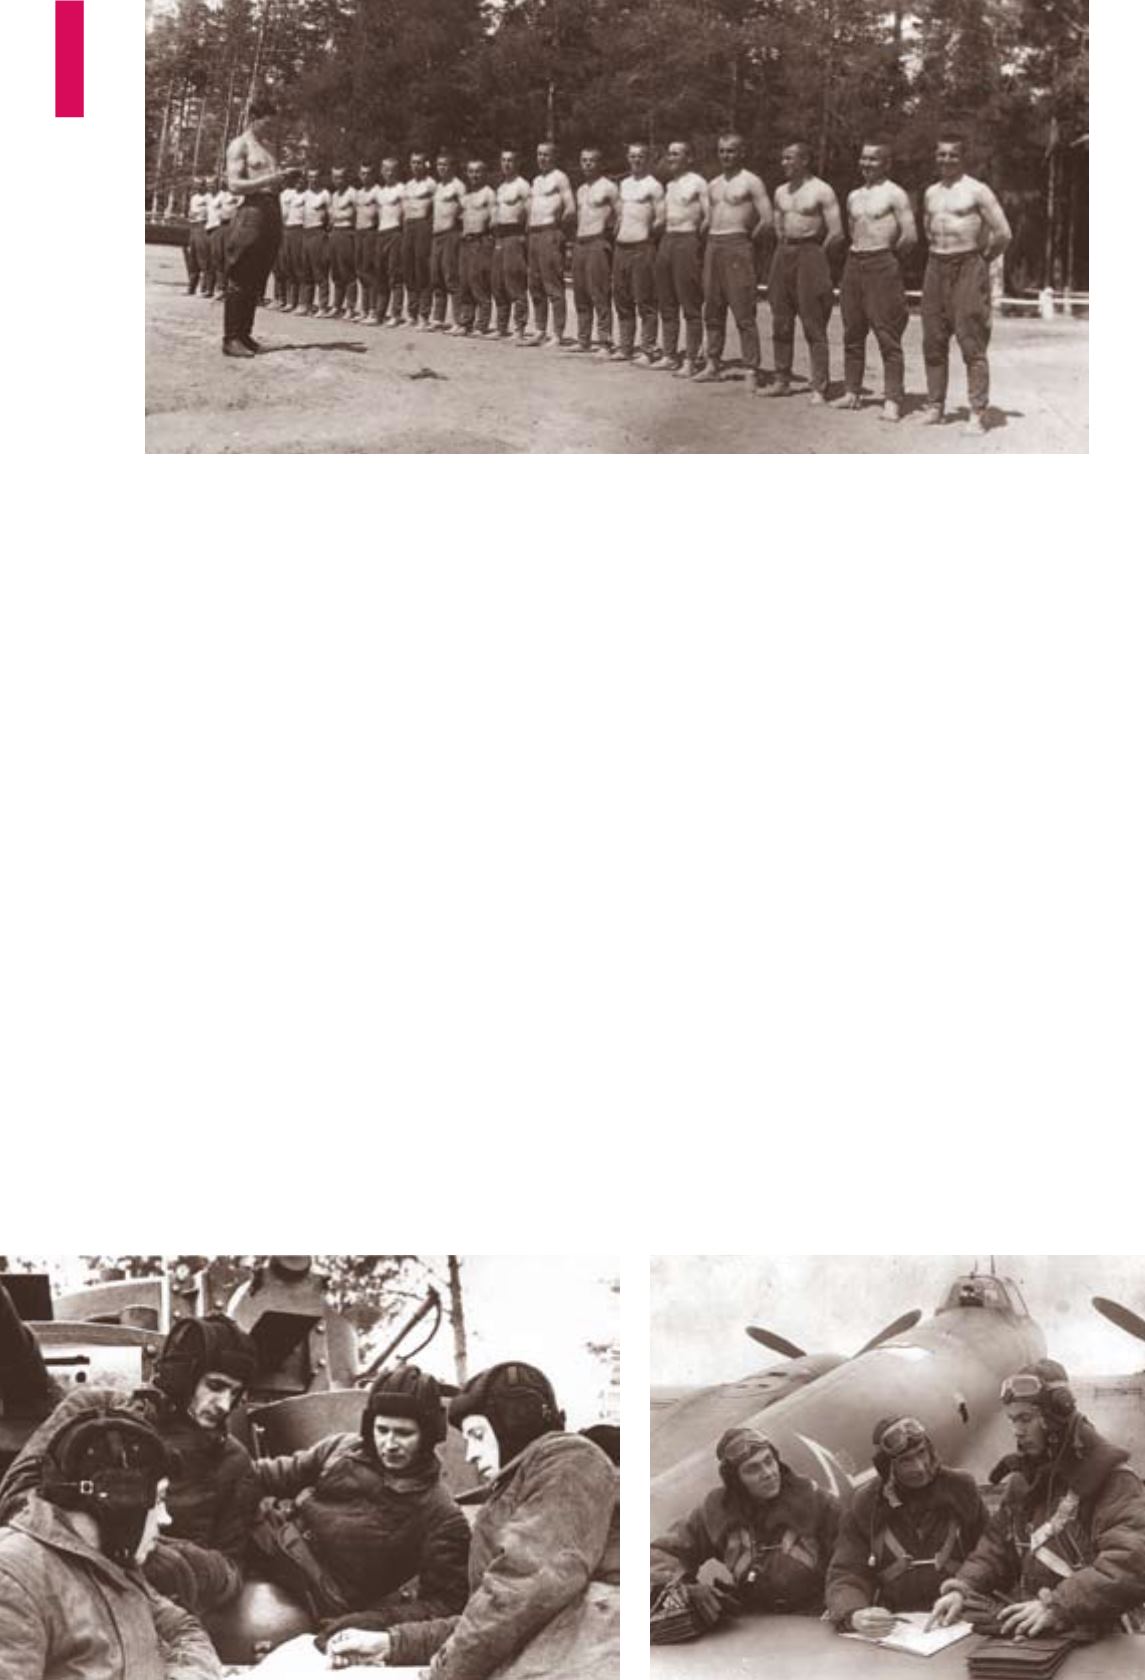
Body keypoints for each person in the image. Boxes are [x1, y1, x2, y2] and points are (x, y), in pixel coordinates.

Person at [322, 1361, 619, 1680]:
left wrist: (441, 1674)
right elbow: (483, 1618)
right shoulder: (515, 1490)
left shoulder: (570, 1460)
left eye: (478, 1435)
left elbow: (520, 1589)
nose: (470, 1455)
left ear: (513, 1423)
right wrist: (391, 1644)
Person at [1, 1313, 260, 1616]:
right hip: (62, 1592)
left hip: (160, 1608)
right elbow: (15, 1498)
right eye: (215, 1386)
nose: (224, 1405)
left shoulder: (234, 1461)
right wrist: (110, 1536)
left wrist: (166, 1560)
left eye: (235, 1393)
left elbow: (231, 1571)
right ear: (182, 1375)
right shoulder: (93, 1412)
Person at [0, 1400, 222, 1679]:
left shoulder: (113, 1562)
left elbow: (183, 1629)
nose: (165, 1519)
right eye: (159, 1500)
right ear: (121, 1504)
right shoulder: (14, 1580)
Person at [928, 1361, 1145, 1640]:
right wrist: (963, 1588)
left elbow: (1129, 1563)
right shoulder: (1023, 1483)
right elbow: (995, 1548)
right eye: (1012, 1420)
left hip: (1103, 1636)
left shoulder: (1112, 1479)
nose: (1017, 1431)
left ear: (1057, 1414)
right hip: (1037, 1631)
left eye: (1025, 1418)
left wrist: (1058, 1605)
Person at [247, 1364, 469, 1626]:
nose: (389, 1444)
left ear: (428, 1435)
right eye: (382, 1430)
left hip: (318, 1596)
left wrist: (372, 1621)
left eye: (404, 1433)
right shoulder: (344, 1448)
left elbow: (445, 1604)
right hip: (271, 1540)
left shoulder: (441, 1514)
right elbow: (276, 1475)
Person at [650, 1426, 839, 1640]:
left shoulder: (816, 1501)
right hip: (753, 1626)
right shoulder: (717, 1510)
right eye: (752, 1469)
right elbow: (660, 1554)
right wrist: (685, 1588)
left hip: (817, 1620)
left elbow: (852, 1559)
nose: (768, 1473)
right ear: (735, 1479)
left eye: (769, 1461)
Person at [825, 1416, 985, 1636]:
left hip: (962, 1616)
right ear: (888, 1467)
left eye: (922, 1453)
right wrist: (854, 1613)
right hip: (897, 1627)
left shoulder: (961, 1489)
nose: (920, 1467)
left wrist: (963, 1590)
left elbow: (988, 1555)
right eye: (906, 1460)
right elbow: (846, 1572)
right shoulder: (866, 1504)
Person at [920, 136, 1012, 436]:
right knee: (933, 339)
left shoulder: (977, 190)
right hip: (936, 265)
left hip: (968, 265)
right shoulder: (931, 192)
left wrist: (982, 260)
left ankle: (977, 412)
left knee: (971, 341)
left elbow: (1003, 233)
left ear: (963, 158)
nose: (946, 160)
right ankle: (935, 406)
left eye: (953, 155)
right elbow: (927, 228)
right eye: (941, 154)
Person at [834, 143, 917, 423]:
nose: (866, 164)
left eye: (873, 159)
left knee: (887, 334)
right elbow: (852, 230)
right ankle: (852, 392)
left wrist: (888, 259)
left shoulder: (895, 193)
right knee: (852, 330)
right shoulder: (853, 196)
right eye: (863, 158)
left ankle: (892, 399)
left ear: (886, 163)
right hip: (854, 262)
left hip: (882, 263)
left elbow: (910, 235)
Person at [766, 141, 844, 404]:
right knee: (780, 319)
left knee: (813, 321)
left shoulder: (822, 190)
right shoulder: (780, 191)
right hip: (783, 253)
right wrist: (784, 249)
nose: (784, 163)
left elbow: (836, 232)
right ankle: (782, 379)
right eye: (783, 158)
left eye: (790, 158)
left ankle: (819, 386)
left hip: (810, 252)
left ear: (805, 160)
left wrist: (817, 255)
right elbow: (778, 225)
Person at [695, 134, 771, 390]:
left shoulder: (751, 181)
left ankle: (751, 369)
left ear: (741, 153)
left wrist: (746, 241)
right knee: (712, 308)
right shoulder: (713, 184)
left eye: (730, 151)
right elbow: (709, 218)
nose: (725, 155)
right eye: (722, 151)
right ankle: (712, 363)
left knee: (743, 310)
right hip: (713, 245)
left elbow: (767, 219)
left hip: (738, 244)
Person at [222, 98, 286, 357]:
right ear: (253, 119)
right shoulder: (240, 145)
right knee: (241, 273)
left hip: (271, 209)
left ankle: (244, 334)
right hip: (252, 211)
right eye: (266, 123)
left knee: (258, 275)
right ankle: (231, 338)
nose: (270, 128)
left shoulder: (268, 147)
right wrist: (269, 180)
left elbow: (270, 182)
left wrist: (283, 180)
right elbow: (234, 185)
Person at [655, 141, 709, 378]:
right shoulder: (669, 185)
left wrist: (696, 240)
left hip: (687, 240)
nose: (671, 158)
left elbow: (709, 216)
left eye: (676, 154)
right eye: (669, 153)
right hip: (667, 240)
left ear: (689, 158)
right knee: (666, 301)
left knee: (690, 302)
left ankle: (691, 359)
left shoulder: (698, 182)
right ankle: (669, 354)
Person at [611, 141, 665, 366]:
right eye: (632, 156)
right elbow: (620, 215)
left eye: (641, 156)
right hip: (621, 248)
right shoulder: (623, 184)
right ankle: (625, 347)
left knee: (645, 300)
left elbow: (661, 218)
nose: (636, 160)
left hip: (642, 248)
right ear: (628, 158)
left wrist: (646, 236)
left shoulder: (654, 185)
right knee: (622, 299)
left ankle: (648, 349)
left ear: (648, 159)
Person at [523, 140, 574, 348]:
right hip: (534, 235)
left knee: (552, 284)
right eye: (539, 154)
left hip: (550, 232)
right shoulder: (536, 180)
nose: (542, 158)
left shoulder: (560, 177)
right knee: (535, 284)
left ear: (554, 157)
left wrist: (557, 229)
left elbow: (570, 208)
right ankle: (540, 330)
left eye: (546, 154)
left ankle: (558, 333)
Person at [568, 145, 619, 357]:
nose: (587, 164)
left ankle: (605, 341)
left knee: (599, 292)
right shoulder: (581, 189)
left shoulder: (609, 187)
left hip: (598, 242)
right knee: (580, 293)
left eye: (592, 160)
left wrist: (608, 238)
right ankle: (584, 339)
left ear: (600, 163)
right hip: (581, 242)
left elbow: (620, 215)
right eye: (584, 160)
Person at [492, 149, 531, 342]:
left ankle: (519, 327)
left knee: (515, 281)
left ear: (517, 163)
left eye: (510, 160)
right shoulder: (501, 187)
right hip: (500, 236)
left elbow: (530, 213)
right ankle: (501, 327)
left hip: (515, 235)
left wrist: (524, 236)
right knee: (498, 283)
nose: (506, 164)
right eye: (503, 160)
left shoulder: (522, 185)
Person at [454, 160, 497, 337]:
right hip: (466, 241)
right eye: (471, 172)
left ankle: (482, 324)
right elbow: (459, 217)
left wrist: (488, 239)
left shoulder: (489, 193)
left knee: (479, 282)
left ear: (484, 173)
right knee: (465, 283)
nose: (474, 175)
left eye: (478, 172)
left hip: (481, 241)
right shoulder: (467, 196)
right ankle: (466, 322)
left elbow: (494, 219)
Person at [430, 152, 467, 332]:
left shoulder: (458, 185)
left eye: (445, 165)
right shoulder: (437, 187)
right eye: (439, 165)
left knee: (451, 277)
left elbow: (466, 208)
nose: (442, 168)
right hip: (436, 236)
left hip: (451, 235)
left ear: (452, 167)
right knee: (436, 277)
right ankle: (438, 318)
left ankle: (458, 321)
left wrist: (459, 229)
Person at [402, 151, 436, 329]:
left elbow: (438, 208)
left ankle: (424, 314)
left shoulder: (431, 184)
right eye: (413, 162)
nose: (416, 166)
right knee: (409, 271)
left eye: (419, 163)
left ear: (425, 164)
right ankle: (412, 314)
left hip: (423, 225)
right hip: (409, 226)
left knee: (422, 269)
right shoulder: (407, 185)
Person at [300, 165, 333, 317]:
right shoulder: (305, 195)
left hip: (318, 232)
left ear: (320, 178)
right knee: (306, 271)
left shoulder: (325, 194)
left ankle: (323, 306)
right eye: (310, 177)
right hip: (305, 233)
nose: (313, 180)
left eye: (316, 177)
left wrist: (325, 232)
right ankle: (307, 305)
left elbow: (331, 216)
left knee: (320, 271)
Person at [328, 166, 359, 319]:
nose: (338, 180)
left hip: (347, 232)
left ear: (346, 178)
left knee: (347, 270)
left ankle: (350, 307)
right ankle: (337, 305)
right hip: (335, 232)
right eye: (335, 177)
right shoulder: (334, 195)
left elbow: (358, 214)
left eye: (340, 177)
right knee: (336, 272)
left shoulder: (352, 193)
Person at [354, 161, 381, 323]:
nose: (365, 176)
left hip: (371, 232)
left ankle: (373, 310)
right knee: (361, 272)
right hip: (359, 233)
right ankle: (364, 309)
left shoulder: (377, 191)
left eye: (368, 173)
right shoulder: (358, 193)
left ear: (374, 175)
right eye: (363, 173)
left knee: (371, 272)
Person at [274, 167, 303, 309]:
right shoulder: (280, 194)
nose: (284, 180)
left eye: (287, 177)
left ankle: (294, 300)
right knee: (280, 266)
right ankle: (281, 298)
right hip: (281, 230)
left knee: (293, 266)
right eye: (283, 178)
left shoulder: (297, 194)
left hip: (294, 230)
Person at [281, 169, 307, 311]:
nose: (298, 183)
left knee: (299, 266)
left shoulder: (306, 195)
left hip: (300, 230)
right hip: (287, 230)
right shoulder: (287, 194)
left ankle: (302, 302)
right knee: (288, 266)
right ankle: (291, 301)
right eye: (295, 180)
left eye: (301, 181)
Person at [186, 177, 212, 296]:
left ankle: (205, 288)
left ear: (204, 186)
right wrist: (191, 214)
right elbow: (191, 212)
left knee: (204, 258)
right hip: (193, 226)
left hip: (203, 226)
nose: (197, 187)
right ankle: (191, 287)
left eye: (199, 185)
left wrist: (202, 214)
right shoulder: (193, 198)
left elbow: (211, 212)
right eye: (195, 185)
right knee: (192, 258)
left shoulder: (209, 197)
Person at [203, 176, 226, 300]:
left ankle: (221, 288)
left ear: (218, 184)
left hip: (218, 228)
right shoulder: (207, 197)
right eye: (208, 184)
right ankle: (209, 288)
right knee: (209, 259)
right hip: (208, 229)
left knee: (218, 259)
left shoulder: (223, 196)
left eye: (212, 184)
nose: (209, 186)